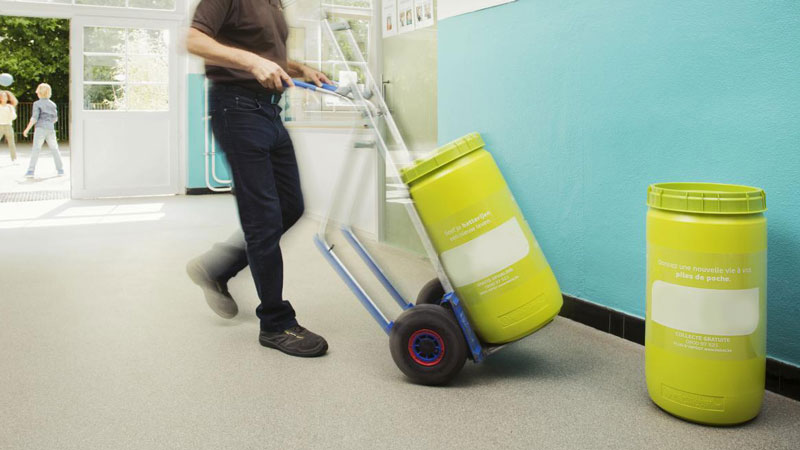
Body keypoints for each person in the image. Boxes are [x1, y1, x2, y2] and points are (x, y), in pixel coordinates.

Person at [185, 0, 333, 357]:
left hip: (269, 111)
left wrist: (300, 68)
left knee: (291, 206)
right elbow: (193, 39)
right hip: (236, 109)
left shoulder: (275, 2)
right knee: (263, 218)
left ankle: (216, 267)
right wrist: (252, 62)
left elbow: (266, 54)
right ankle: (276, 322)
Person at [22, 83, 64, 178]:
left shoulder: (37, 104)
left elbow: (34, 118)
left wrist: (27, 129)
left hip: (40, 128)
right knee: (54, 149)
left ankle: (30, 171)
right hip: (50, 128)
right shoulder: (53, 104)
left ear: (39, 92)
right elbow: (55, 119)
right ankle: (60, 169)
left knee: (36, 149)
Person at [0, 90, 18, 164]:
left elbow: (14, 117)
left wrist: (11, 112)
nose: (4, 97)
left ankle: (14, 159)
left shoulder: (10, 107)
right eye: (2, 96)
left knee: (11, 143)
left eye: (5, 96)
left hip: (8, 126)